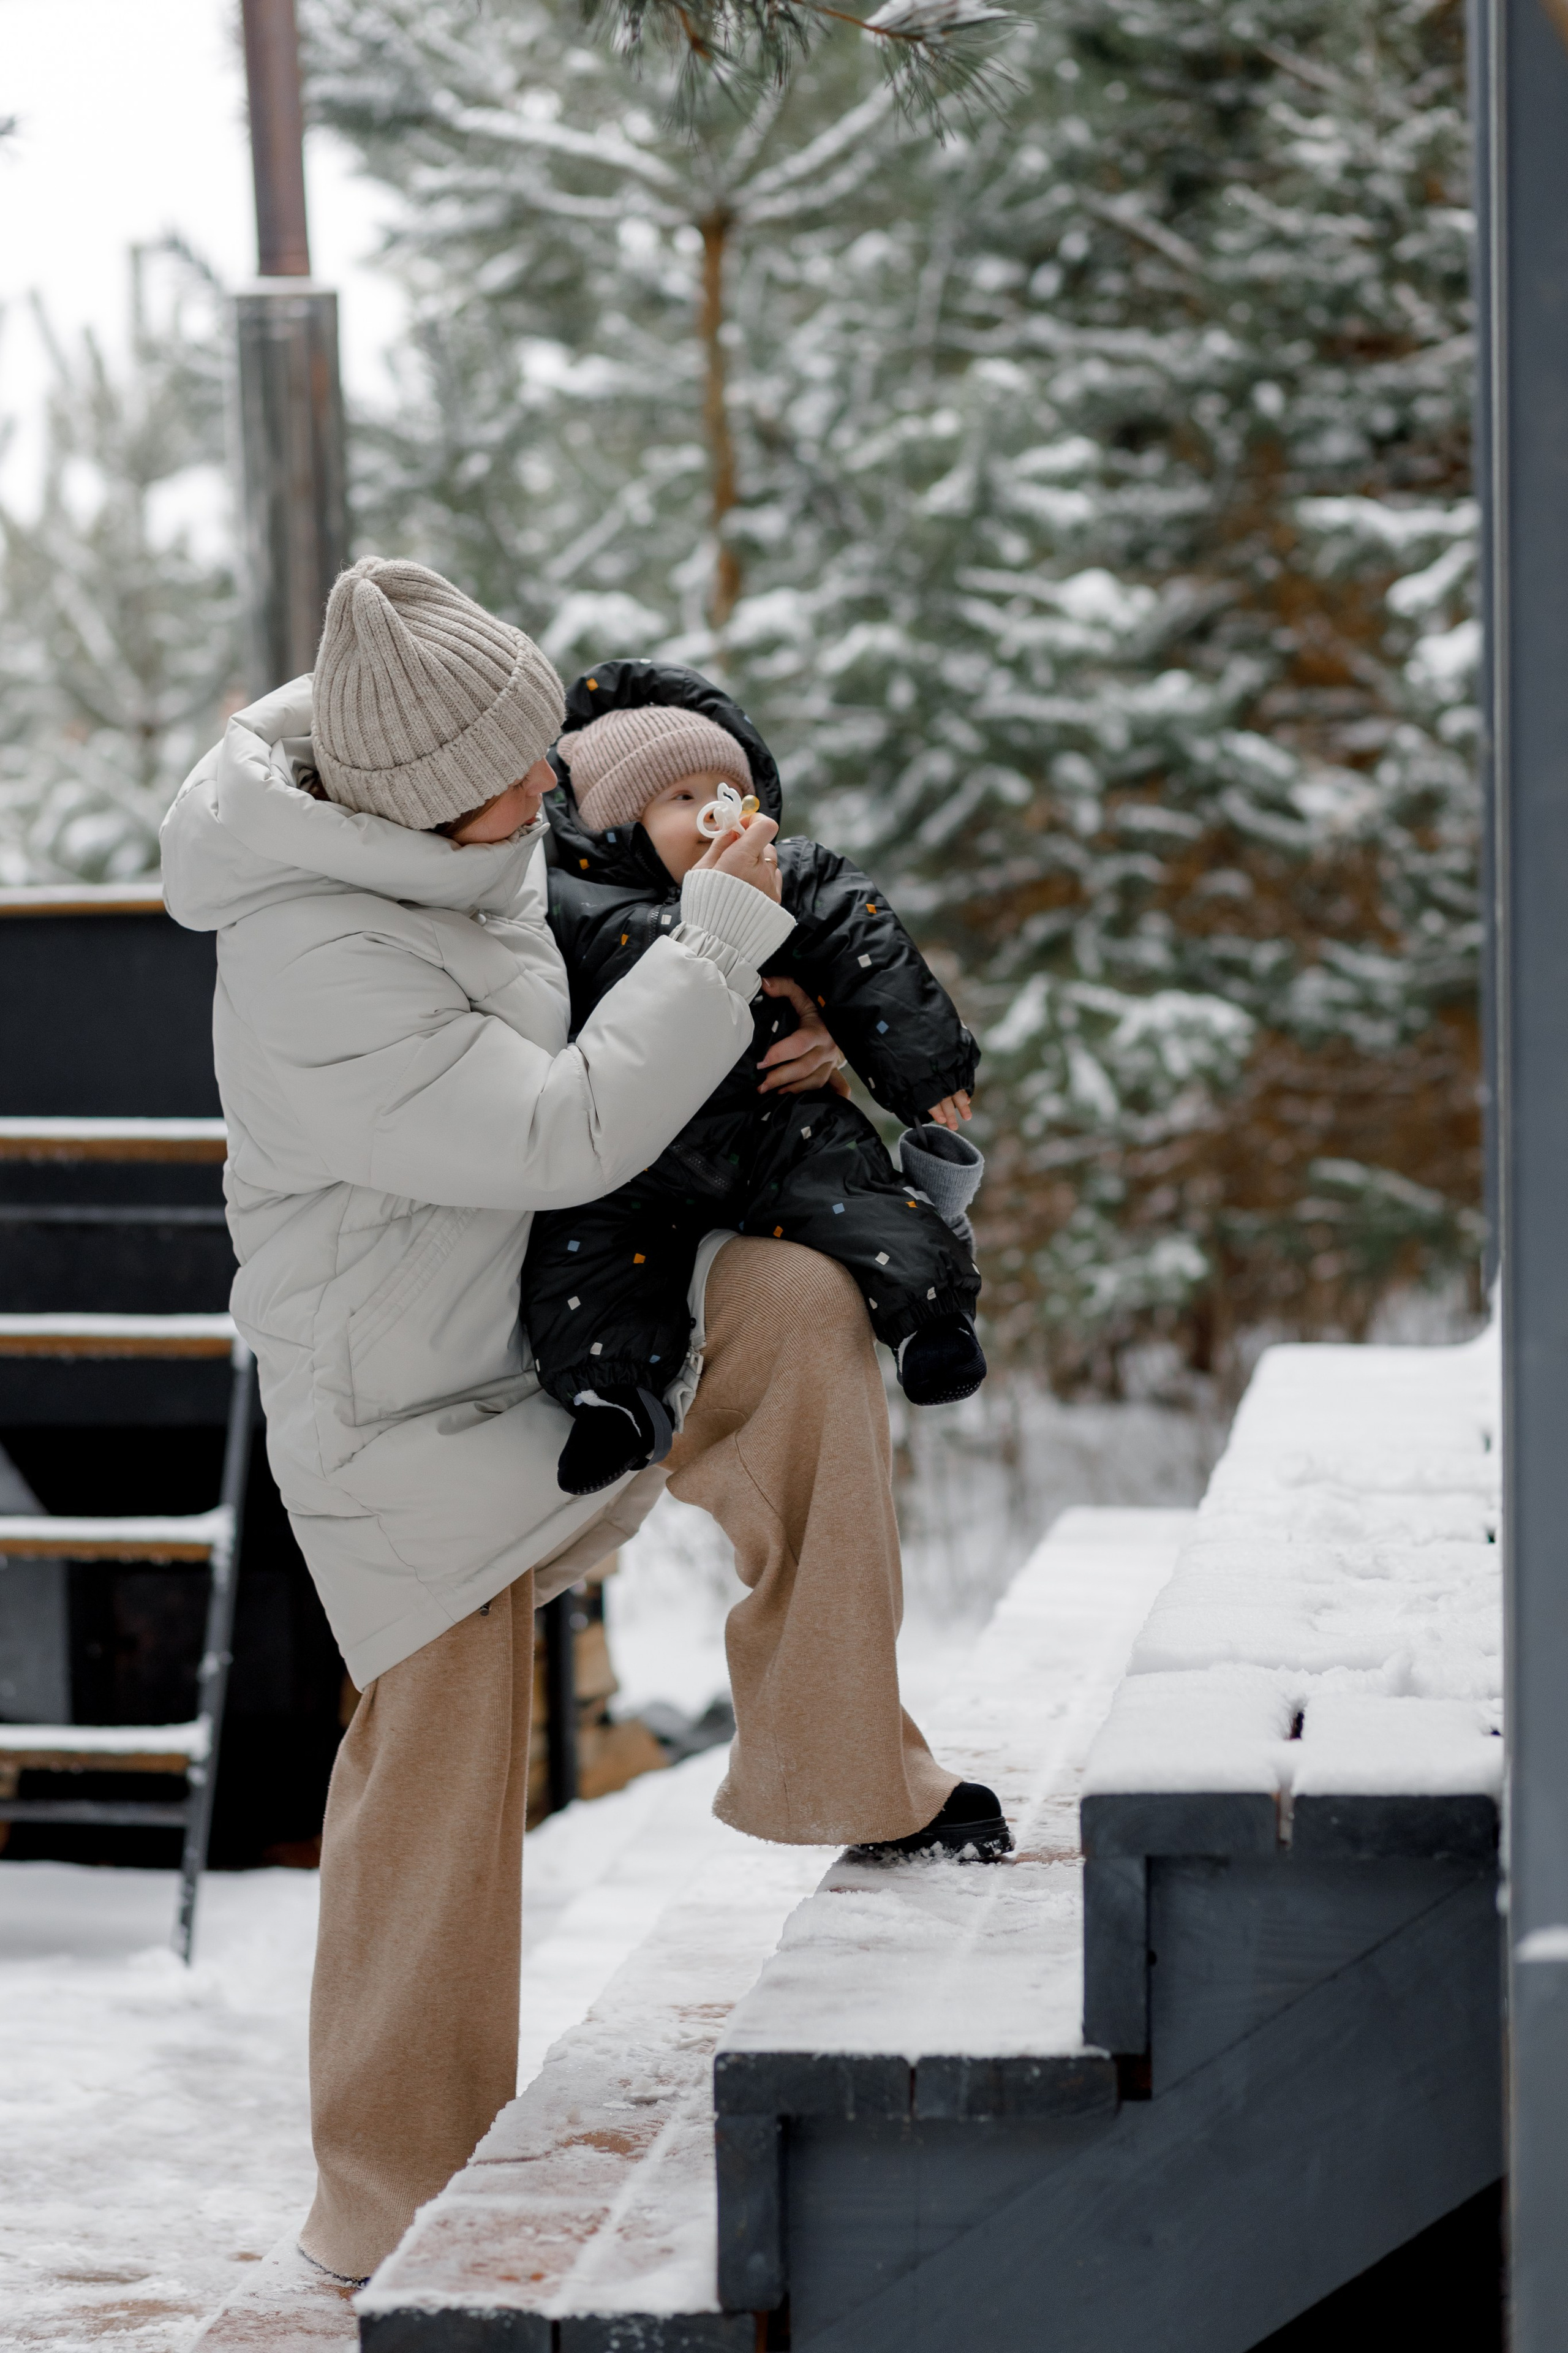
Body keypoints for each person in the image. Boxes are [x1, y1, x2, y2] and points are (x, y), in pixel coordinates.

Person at [159, 556, 1009, 2291]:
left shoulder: (450, 805)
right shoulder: (314, 959)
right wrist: (710, 963)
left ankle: (849, 1760)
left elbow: (623, 920)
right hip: (413, 1392)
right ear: (426, 804)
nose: (555, 790)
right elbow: (563, 1127)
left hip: (581, 1297)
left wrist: (793, 1022)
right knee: (438, 1736)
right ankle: (390, 2199)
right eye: (524, 771)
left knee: (798, 1302)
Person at [524, 661, 989, 1498]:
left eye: (732, 792)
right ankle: (614, 1398)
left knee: (860, 1192)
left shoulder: (790, 875)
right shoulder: (566, 906)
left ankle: (931, 1321)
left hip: (773, 1123)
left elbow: (864, 943)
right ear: (611, 828)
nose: (718, 815)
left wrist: (925, 1065)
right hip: (638, 1155)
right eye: (682, 799)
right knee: (582, 1261)